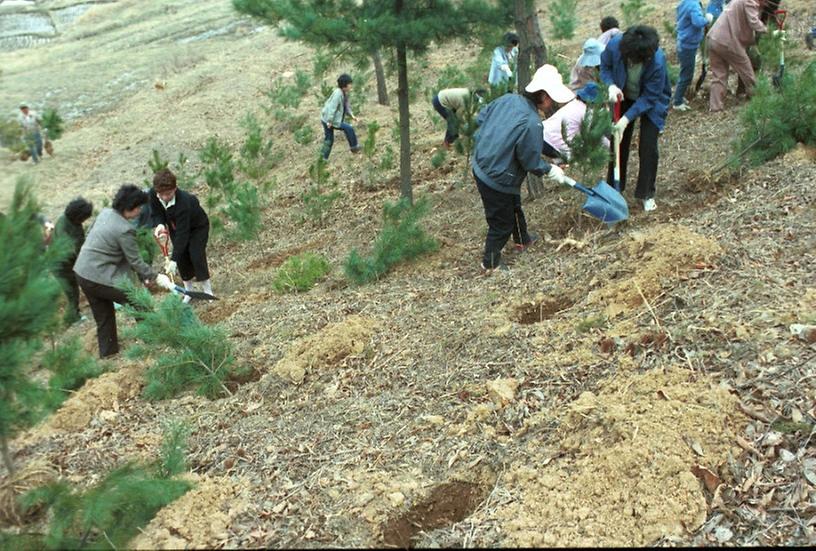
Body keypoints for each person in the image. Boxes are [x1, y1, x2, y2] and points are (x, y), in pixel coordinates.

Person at [472, 64, 574, 272]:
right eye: (551, 100)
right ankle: (489, 263)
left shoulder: (507, 100)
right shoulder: (532, 121)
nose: (552, 104)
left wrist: (555, 155)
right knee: (501, 222)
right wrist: (551, 170)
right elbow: (530, 161)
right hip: (495, 176)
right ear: (544, 97)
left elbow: (480, 119)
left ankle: (522, 239)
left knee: (514, 204)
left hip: (483, 162)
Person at [74, 185, 170, 358]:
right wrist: (155, 276)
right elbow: (135, 261)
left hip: (82, 272)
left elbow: (92, 235)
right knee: (139, 301)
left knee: (104, 316)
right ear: (129, 208)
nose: (141, 211)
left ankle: (108, 354)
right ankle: (155, 340)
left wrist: (143, 277)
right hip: (98, 276)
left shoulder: (105, 213)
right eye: (139, 207)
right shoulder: (124, 230)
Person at [601, 25, 671, 212]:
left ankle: (646, 193)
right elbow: (605, 66)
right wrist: (610, 85)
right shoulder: (616, 45)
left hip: (652, 100)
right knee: (618, 141)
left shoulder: (656, 60)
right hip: (622, 95)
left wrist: (626, 120)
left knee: (648, 146)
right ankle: (614, 189)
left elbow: (650, 97)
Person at [148, 168, 212, 303]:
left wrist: (173, 259)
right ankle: (188, 292)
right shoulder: (153, 194)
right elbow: (156, 212)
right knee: (182, 259)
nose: (165, 197)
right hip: (174, 226)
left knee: (196, 254)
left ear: (175, 188)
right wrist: (160, 224)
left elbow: (183, 234)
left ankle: (208, 291)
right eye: (162, 194)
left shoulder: (184, 202)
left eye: (169, 193)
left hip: (197, 227)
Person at [707, 0, 767, 112]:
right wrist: (768, 31)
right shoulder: (750, 1)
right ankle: (759, 102)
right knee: (747, 72)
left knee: (719, 75)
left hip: (714, 38)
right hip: (728, 42)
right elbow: (753, 22)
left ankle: (715, 108)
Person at [541, 82, 609, 162]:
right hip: (551, 142)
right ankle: (558, 162)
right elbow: (597, 135)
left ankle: (557, 162)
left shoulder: (575, 104)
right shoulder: (586, 113)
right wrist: (611, 147)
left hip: (541, 133)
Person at [53, 197, 94, 325]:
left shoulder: (74, 222)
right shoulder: (63, 225)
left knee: (80, 288)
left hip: (73, 262)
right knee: (72, 292)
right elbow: (67, 249)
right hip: (61, 267)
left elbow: (79, 242)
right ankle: (72, 319)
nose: (84, 220)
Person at [673, 0, 714, 111]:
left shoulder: (686, 2)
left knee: (685, 73)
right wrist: (707, 19)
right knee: (686, 75)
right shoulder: (693, 5)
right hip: (688, 45)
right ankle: (677, 102)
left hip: (684, 42)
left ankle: (679, 96)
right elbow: (697, 22)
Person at [320, 73, 360, 161]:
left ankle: (322, 159)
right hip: (329, 119)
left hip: (327, 119)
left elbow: (346, 107)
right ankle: (354, 147)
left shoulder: (344, 93)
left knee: (329, 139)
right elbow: (332, 108)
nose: (351, 86)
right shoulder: (338, 93)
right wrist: (329, 121)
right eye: (349, 84)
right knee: (349, 128)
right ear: (344, 85)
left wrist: (352, 116)